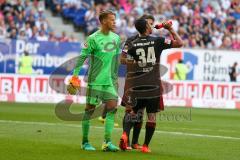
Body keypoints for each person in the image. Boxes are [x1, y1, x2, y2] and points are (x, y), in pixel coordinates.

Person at [120, 17, 183, 153]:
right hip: (153, 84)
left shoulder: (132, 42)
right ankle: (145, 146)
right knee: (151, 116)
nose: (151, 25)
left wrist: (138, 65)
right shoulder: (157, 41)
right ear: (147, 28)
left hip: (137, 84)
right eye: (149, 24)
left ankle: (125, 134)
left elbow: (122, 59)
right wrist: (170, 29)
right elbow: (179, 43)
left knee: (133, 112)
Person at [68, 10, 121, 152]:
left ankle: (107, 142)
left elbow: (116, 60)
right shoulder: (93, 38)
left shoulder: (116, 38)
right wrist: (75, 76)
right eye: (111, 20)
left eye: (115, 20)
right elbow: (81, 58)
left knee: (112, 109)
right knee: (90, 111)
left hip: (109, 81)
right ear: (103, 21)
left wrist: (115, 79)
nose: (114, 22)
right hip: (95, 80)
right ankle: (85, 142)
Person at [119, 14, 156, 151]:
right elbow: (122, 60)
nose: (150, 25)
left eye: (152, 23)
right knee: (131, 110)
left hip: (149, 81)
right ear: (143, 24)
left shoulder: (153, 41)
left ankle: (134, 142)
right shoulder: (131, 40)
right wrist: (137, 63)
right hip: (133, 80)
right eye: (148, 23)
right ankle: (126, 140)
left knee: (141, 112)